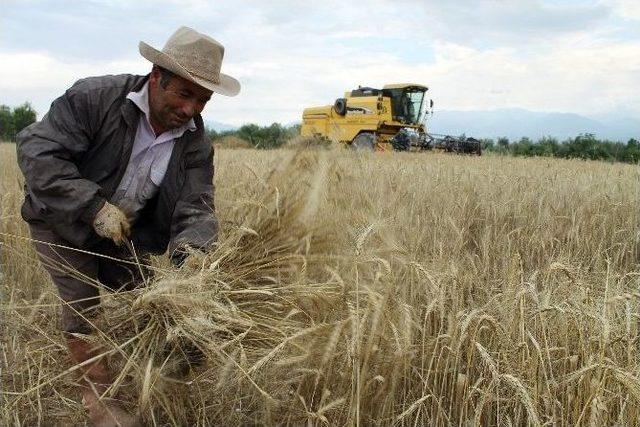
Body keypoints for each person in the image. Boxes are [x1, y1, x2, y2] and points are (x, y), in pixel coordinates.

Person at [16, 26, 240, 426]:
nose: (191, 109)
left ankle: (158, 390)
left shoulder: (194, 143)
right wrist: (92, 206)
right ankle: (99, 402)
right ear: (156, 77)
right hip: (61, 222)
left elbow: (196, 207)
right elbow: (38, 152)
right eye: (184, 94)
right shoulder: (94, 98)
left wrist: (190, 262)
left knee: (164, 308)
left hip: (128, 233)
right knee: (84, 305)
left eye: (202, 100)